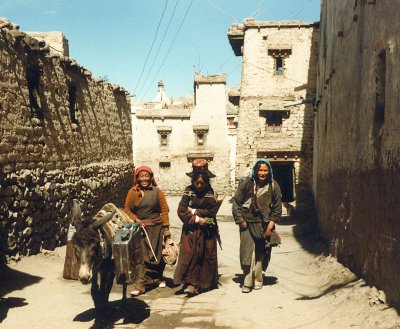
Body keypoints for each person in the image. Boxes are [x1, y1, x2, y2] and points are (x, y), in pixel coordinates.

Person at [232, 158, 282, 293]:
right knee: (247, 252)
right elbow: (236, 202)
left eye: (265, 170)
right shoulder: (246, 184)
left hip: (263, 224)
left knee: (261, 252)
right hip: (246, 223)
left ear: (269, 171)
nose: (263, 173)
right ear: (255, 170)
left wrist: (270, 227)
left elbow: (277, 208)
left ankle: (258, 279)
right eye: (260, 170)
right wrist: (241, 221)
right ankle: (247, 282)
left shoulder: (273, 186)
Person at [173, 159, 219, 296]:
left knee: (203, 255)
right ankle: (188, 282)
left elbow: (212, 214)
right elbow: (181, 210)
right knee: (188, 254)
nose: (198, 186)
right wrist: (197, 219)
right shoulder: (188, 192)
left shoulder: (211, 194)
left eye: (201, 183)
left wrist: (194, 211)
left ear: (206, 182)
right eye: (196, 183)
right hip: (190, 229)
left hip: (208, 229)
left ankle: (200, 284)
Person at [124, 166, 171, 296]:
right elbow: (127, 209)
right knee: (141, 256)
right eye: (141, 176)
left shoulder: (157, 192)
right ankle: (140, 285)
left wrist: (166, 228)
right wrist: (136, 219)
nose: (144, 179)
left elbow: (164, 210)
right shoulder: (132, 192)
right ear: (137, 178)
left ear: (151, 177)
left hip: (156, 228)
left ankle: (157, 278)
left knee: (156, 256)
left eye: (146, 176)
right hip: (140, 229)